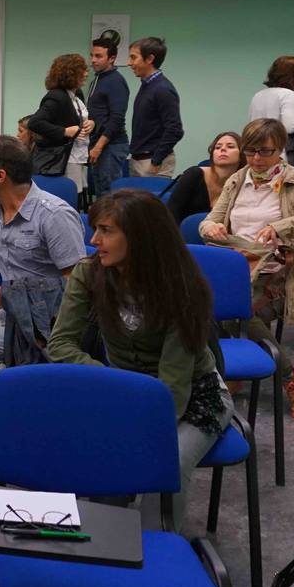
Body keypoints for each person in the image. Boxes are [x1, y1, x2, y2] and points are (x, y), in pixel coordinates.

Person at [47, 189, 233, 529]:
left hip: (193, 396)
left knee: (166, 460)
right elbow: (59, 344)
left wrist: (132, 420)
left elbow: (174, 388)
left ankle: (155, 550)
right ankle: (103, 537)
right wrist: (111, 381)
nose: (94, 240)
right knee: (99, 454)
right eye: (96, 229)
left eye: (106, 230)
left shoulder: (182, 288)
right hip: (122, 391)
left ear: (140, 237)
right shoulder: (90, 273)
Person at [200, 118, 294, 423]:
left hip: (283, 276)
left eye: (265, 152)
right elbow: (207, 223)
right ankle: (233, 367)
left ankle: (290, 378)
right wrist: (212, 227)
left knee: (237, 313)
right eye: (250, 152)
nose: (256, 159)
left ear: (280, 149)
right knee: (200, 306)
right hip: (239, 269)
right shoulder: (236, 181)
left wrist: (287, 225)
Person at [0, 136, 86, 365]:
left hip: (49, 323)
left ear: (0, 176)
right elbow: (3, 235)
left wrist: (19, 299)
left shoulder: (54, 216)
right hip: (11, 314)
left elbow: (77, 287)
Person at [28, 53, 94, 192]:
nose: (86, 73)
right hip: (64, 158)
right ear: (70, 74)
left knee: (77, 194)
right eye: (82, 70)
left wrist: (92, 124)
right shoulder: (56, 96)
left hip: (77, 155)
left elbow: (77, 119)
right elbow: (35, 122)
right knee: (70, 194)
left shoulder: (77, 94)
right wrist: (64, 132)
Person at [127, 36, 183, 177]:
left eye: (134, 57)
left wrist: (156, 161)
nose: (129, 63)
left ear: (150, 59)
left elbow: (175, 129)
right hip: (139, 159)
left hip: (152, 162)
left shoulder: (163, 89)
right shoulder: (147, 85)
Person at [166, 131, 243, 223]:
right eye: (217, 147)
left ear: (242, 154)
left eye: (230, 146)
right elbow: (171, 213)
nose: (222, 149)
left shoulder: (244, 182)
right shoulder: (194, 175)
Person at [87, 32, 129, 197]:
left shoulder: (116, 81)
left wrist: (99, 146)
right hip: (98, 144)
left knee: (110, 195)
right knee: (100, 192)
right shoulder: (97, 79)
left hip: (111, 145)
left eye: (99, 56)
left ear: (111, 58)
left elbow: (117, 119)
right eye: (92, 55)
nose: (93, 60)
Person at [249, 56, 294, 134]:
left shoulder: (258, 95)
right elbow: (288, 128)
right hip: (277, 144)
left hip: (255, 142)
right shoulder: (288, 95)